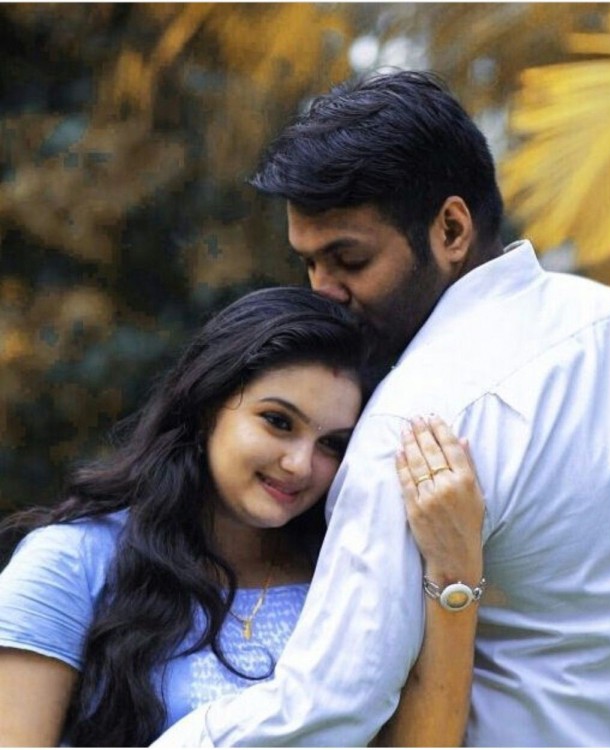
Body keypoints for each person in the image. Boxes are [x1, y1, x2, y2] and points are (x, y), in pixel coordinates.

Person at [154, 70, 610, 746]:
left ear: (451, 229)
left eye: (348, 259)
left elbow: (330, 705)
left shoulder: (419, 421)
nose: (324, 292)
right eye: (309, 264)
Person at [0, 285, 485, 746]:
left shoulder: (343, 572)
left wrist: (454, 573)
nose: (300, 464)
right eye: (278, 422)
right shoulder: (72, 561)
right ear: (208, 405)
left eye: (332, 445)